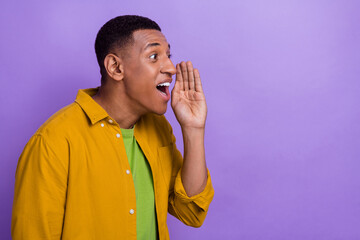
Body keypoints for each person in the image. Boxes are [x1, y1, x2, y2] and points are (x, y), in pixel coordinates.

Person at [11, 15, 214, 240]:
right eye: (154, 56)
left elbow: (191, 211)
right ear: (116, 67)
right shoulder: (52, 141)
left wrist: (193, 129)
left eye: (168, 55)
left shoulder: (159, 129)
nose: (170, 68)